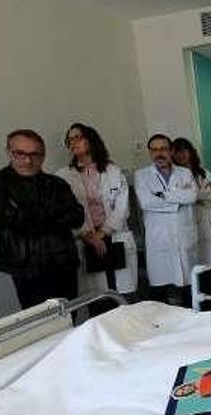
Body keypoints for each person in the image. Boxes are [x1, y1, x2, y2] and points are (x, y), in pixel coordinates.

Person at [0, 129, 85, 309]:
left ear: (43, 156)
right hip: (26, 266)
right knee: (40, 323)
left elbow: (77, 217)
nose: (28, 161)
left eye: (34, 154)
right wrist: (56, 214)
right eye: (20, 153)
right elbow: (6, 220)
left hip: (63, 262)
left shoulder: (56, 183)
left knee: (69, 316)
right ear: (9, 152)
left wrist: (28, 214)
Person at [55, 123, 138, 315]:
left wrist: (102, 233)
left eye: (78, 137)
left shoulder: (113, 171)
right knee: (98, 298)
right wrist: (88, 235)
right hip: (86, 239)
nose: (73, 142)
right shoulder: (63, 176)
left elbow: (122, 207)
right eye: (70, 139)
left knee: (124, 296)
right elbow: (67, 211)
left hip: (113, 233)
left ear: (91, 139)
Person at [135, 134, 198, 307]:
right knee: (159, 290)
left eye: (163, 149)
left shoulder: (184, 173)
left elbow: (192, 196)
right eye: (154, 150)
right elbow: (146, 202)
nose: (159, 154)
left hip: (184, 238)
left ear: (170, 151)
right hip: (159, 239)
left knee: (188, 288)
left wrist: (162, 195)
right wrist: (178, 200)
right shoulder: (142, 175)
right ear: (150, 153)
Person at [173, 138, 211, 308]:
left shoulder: (204, 173)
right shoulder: (174, 176)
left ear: (191, 152)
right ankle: (199, 306)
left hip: (209, 224)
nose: (182, 154)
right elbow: (181, 199)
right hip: (191, 226)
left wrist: (197, 196)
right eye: (178, 151)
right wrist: (201, 195)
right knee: (196, 270)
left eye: (185, 150)